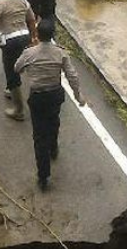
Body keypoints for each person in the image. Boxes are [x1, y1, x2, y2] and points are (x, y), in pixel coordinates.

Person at [15, 18, 86, 191]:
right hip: (55, 94)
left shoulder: (29, 53)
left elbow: (17, 68)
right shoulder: (60, 53)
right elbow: (72, 76)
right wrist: (78, 96)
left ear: (37, 35)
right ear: (53, 35)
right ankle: (53, 147)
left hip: (38, 97)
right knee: (53, 120)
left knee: (39, 136)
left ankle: (43, 175)